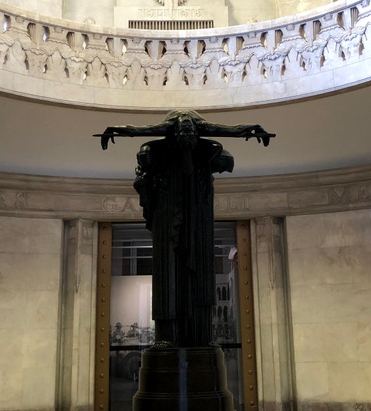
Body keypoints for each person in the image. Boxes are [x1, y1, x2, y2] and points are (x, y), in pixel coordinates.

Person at [96, 110, 274, 347]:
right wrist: (116, 129)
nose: (187, 132)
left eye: (190, 130)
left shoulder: (204, 141)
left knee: (200, 269)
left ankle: (202, 336)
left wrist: (251, 129)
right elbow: (141, 130)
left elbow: (228, 130)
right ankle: (166, 336)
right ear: (176, 131)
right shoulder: (164, 140)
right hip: (168, 212)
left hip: (198, 215)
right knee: (167, 268)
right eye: (183, 130)